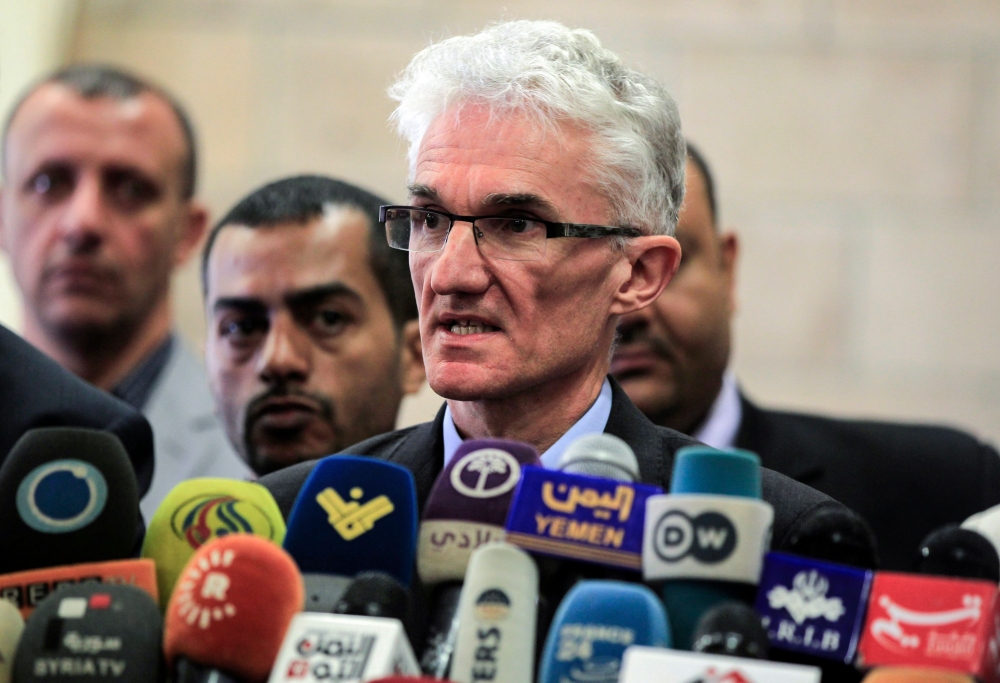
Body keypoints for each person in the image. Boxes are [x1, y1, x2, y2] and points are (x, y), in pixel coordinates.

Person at [259, 20, 847, 550]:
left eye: (516, 225)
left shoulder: (768, 540)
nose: (450, 274)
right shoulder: (290, 521)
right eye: (431, 221)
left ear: (638, 275)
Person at [612, 142, 1000, 570]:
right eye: (603, 270)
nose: (635, 310)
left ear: (729, 269)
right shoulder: (524, 500)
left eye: (663, 265)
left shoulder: (949, 488)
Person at [0, 64, 251, 519]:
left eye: (131, 189)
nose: (83, 222)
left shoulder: (258, 457)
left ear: (187, 232)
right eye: (47, 183)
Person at [202, 175, 425, 476]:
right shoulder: (165, 521)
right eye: (241, 328)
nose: (278, 360)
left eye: (328, 319)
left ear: (414, 356)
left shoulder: (471, 521)